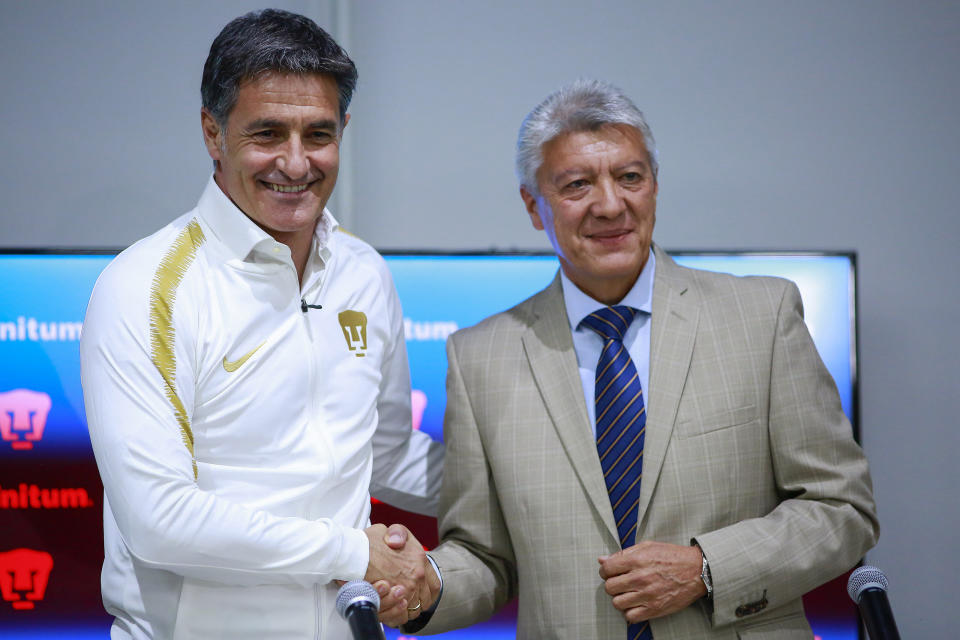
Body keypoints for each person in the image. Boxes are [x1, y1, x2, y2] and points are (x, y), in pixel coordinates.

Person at [398, 79, 879, 639]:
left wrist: (707, 568)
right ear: (534, 205)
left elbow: (841, 509)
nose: (610, 204)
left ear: (654, 185)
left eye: (630, 177)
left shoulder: (762, 317)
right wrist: (422, 586)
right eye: (578, 184)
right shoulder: (480, 357)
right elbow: (488, 557)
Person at [80, 9, 440, 639]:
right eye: (268, 133)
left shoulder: (364, 271)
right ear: (212, 132)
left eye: (319, 134)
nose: (297, 164)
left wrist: (527, 492)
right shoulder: (142, 287)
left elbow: (384, 450)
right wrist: (354, 553)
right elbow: (159, 520)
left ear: (344, 130)